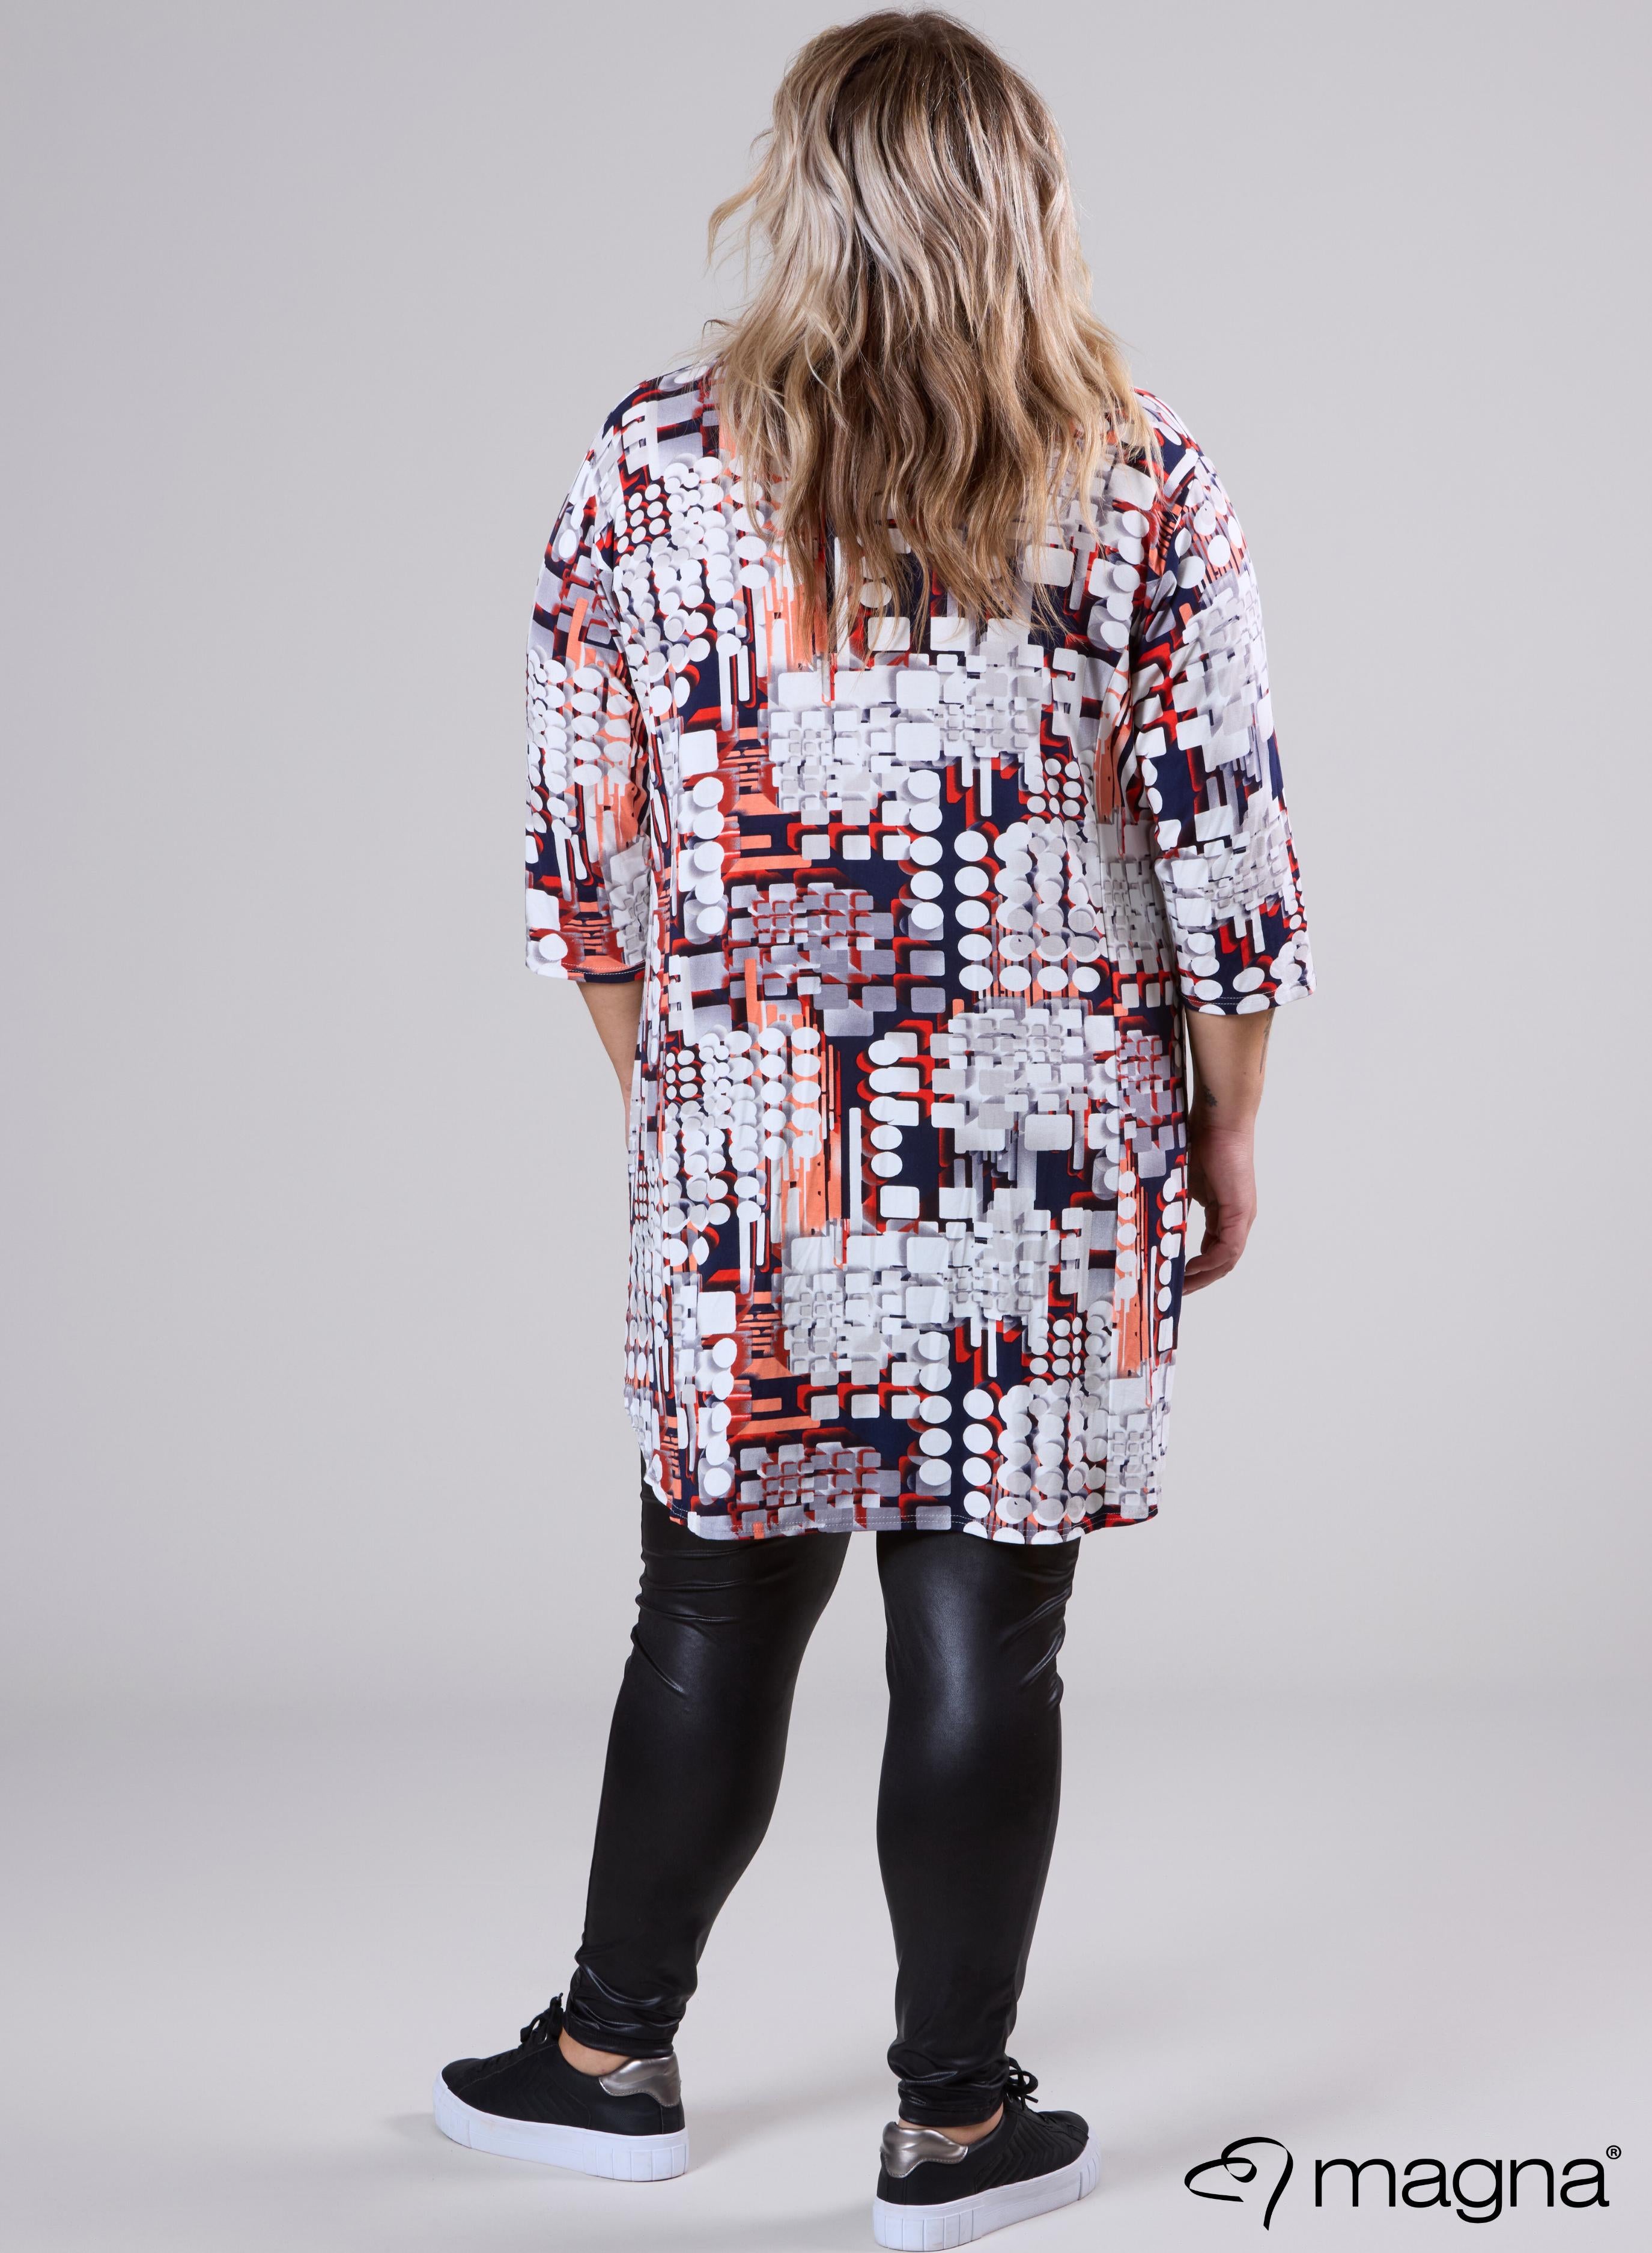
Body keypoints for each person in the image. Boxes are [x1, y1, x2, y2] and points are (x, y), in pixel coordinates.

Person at [433, 10, 1313, 2244]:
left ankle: (607, 2060)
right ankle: (954, 2126)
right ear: (1030, 203)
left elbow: (583, 859)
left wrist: (690, 1106)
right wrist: (1224, 1135)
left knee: (707, 1612)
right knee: (984, 1636)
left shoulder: (649, 464)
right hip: (1050, 1152)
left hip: (752, 1154)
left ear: (798, 195)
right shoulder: (1146, 476)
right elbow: (1224, 856)